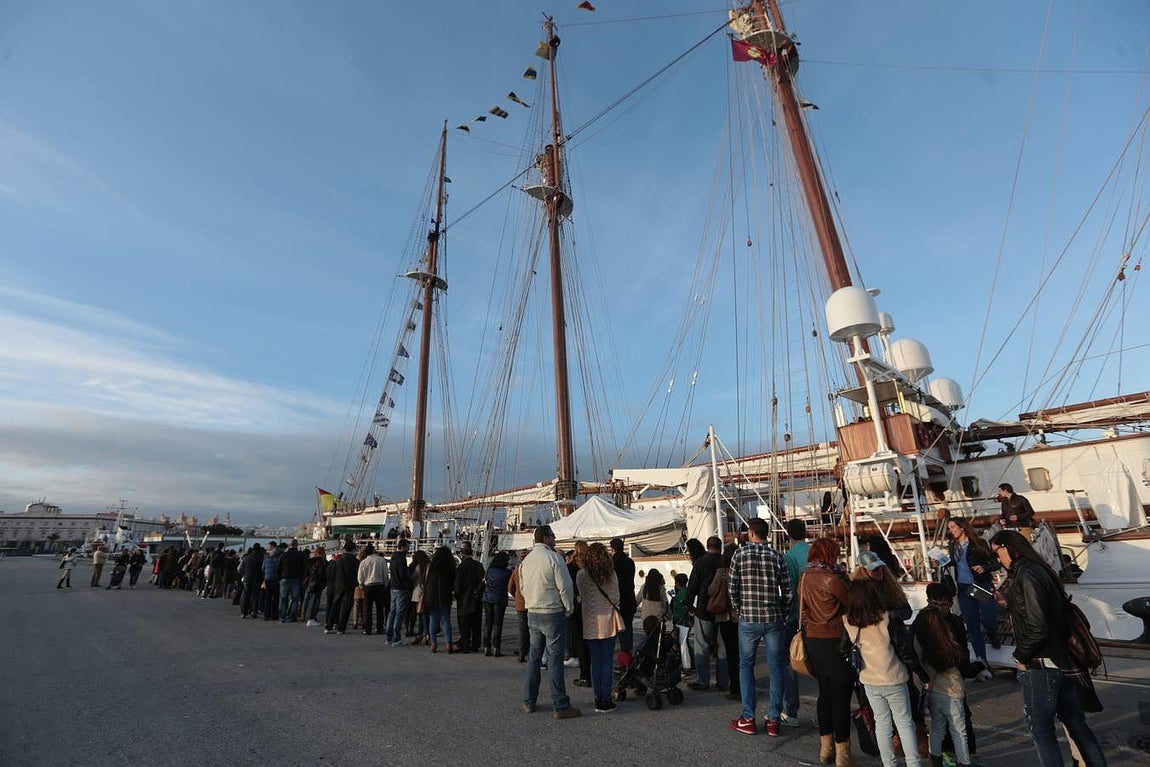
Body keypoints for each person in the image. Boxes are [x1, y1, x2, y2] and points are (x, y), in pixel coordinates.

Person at [990, 530, 1107, 767]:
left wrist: (1021, 657)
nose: (997, 559)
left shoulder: (1026, 574)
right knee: (1077, 726)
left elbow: (1037, 626)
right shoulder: (1041, 570)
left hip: (1042, 662)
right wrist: (1010, 602)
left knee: (1042, 731)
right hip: (1063, 658)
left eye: (997, 552)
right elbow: (1044, 610)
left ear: (1008, 547)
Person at [845, 577, 928, 767]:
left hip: (869, 678)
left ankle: (889, 763)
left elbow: (844, 649)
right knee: (904, 723)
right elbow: (904, 651)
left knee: (882, 724)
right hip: (893, 677)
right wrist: (923, 675)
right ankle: (913, 762)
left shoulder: (849, 622)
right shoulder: (888, 618)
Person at [728, 518, 791, 736]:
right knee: (777, 668)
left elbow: (732, 587)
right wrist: (782, 612)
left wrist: (739, 608)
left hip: (749, 618)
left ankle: (748, 718)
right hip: (773, 618)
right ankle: (774, 719)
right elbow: (787, 591)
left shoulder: (739, 554)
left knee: (746, 665)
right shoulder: (777, 556)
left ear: (751, 533)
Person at [801, 537, 853, 765]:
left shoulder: (805, 577)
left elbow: (802, 610)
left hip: (814, 639)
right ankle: (843, 754)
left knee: (824, 693)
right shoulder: (833, 579)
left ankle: (825, 748)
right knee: (841, 697)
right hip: (835, 639)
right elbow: (852, 604)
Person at [520, 525, 580, 719]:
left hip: (533, 611)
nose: (555, 539)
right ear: (546, 538)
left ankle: (529, 700)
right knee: (555, 659)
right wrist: (569, 607)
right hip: (552, 612)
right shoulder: (554, 558)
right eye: (553, 536)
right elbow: (565, 586)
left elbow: (522, 587)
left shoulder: (526, 560)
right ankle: (560, 705)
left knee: (534, 657)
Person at [912, 587, 972, 767]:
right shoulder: (929, 625)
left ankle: (937, 760)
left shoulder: (928, 621)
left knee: (939, 726)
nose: (939, 608)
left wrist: (926, 678)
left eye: (943, 604)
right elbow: (955, 656)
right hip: (949, 685)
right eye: (935, 604)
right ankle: (963, 761)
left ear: (950, 604)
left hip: (934, 684)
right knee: (957, 729)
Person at [947, 518, 1001, 668]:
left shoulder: (978, 543)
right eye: (949, 528)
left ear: (962, 528)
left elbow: (995, 563)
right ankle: (981, 660)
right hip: (964, 589)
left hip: (979, 586)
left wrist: (984, 568)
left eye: (953, 527)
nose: (951, 530)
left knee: (988, 619)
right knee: (972, 625)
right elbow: (954, 562)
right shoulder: (952, 545)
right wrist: (941, 561)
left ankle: (992, 634)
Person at [577, 541, 621, 713]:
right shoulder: (611, 574)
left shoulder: (581, 575)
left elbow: (581, 596)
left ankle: (597, 697)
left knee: (595, 661)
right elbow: (616, 598)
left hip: (590, 621)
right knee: (607, 661)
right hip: (608, 621)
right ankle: (606, 698)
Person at [687, 535, 727, 693]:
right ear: (720, 547)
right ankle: (723, 681)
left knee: (702, 645)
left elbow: (692, 587)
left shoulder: (700, 563)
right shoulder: (725, 561)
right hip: (724, 609)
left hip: (704, 609)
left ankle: (703, 680)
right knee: (722, 647)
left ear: (707, 546)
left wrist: (690, 605)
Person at [782, 518, 811, 727]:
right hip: (821, 617)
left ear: (788, 535)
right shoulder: (816, 551)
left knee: (790, 661)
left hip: (798, 616)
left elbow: (790, 590)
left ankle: (791, 711)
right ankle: (827, 715)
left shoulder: (789, 557)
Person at [712, 544, 741, 702]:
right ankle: (744, 685)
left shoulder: (721, 572)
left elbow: (711, 590)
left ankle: (734, 687)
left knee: (730, 652)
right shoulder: (742, 570)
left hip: (724, 616)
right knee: (743, 653)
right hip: (740, 616)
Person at [454, 541, 485, 653]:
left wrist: (457, 595)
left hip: (464, 599)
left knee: (464, 624)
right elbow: (483, 581)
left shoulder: (461, 567)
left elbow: (457, 584)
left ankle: (465, 644)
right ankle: (476, 644)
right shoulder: (478, 565)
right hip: (476, 598)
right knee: (476, 622)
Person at [425, 546, 457, 653]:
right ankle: (449, 644)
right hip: (445, 595)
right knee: (446, 620)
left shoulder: (432, 566)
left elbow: (426, 580)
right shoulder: (450, 566)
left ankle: (433, 644)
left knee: (433, 620)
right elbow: (453, 582)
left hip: (432, 595)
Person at [610, 538, 637, 653]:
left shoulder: (612, 563)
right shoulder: (630, 562)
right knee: (628, 629)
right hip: (630, 598)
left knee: (618, 630)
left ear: (612, 549)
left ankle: (623, 656)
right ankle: (628, 654)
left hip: (618, 600)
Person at [482, 550, 512, 657]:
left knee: (488, 623)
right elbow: (509, 586)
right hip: (500, 598)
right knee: (498, 624)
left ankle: (486, 646)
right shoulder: (507, 572)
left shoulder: (490, 570)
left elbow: (486, 581)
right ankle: (496, 647)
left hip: (488, 597)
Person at [325, 543, 359, 635]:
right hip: (350, 585)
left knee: (335, 605)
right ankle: (341, 628)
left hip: (339, 584)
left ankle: (328, 626)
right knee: (346, 607)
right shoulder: (355, 561)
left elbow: (333, 572)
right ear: (353, 550)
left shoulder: (339, 560)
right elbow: (357, 574)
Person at [356, 543, 389, 636]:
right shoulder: (381, 560)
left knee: (367, 608)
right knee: (379, 608)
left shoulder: (363, 562)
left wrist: (361, 585)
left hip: (367, 586)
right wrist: (385, 584)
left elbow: (360, 576)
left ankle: (368, 629)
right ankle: (379, 628)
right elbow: (385, 574)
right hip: (379, 585)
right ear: (374, 551)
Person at [386, 539, 412, 645]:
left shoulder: (394, 557)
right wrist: (407, 585)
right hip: (401, 588)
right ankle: (396, 638)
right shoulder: (402, 558)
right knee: (399, 613)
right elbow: (403, 574)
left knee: (392, 612)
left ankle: (389, 637)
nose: (408, 549)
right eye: (407, 547)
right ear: (403, 547)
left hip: (393, 587)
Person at [507, 549, 530, 661]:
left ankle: (521, 652)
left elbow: (510, 587)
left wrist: (516, 595)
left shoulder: (516, 570)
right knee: (532, 629)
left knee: (522, 629)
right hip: (532, 602)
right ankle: (530, 650)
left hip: (520, 603)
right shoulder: (532, 570)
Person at [278, 539, 307, 623]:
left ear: (290, 545)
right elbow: (304, 566)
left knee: (283, 598)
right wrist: (302, 577)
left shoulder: (284, 554)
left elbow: (279, 567)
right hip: (296, 579)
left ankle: (282, 617)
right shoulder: (300, 555)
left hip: (285, 578)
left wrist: (279, 577)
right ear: (297, 545)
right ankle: (292, 617)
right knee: (295, 599)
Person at [669, 572, 693, 671]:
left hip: (681, 620)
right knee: (683, 642)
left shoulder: (681, 594)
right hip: (683, 620)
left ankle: (687, 664)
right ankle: (688, 662)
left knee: (683, 643)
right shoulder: (685, 592)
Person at [303, 546, 327, 627]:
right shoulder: (320, 562)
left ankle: (307, 617)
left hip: (310, 584)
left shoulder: (310, 561)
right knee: (315, 601)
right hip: (317, 584)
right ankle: (311, 619)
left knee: (309, 601)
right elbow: (321, 574)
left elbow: (306, 573)